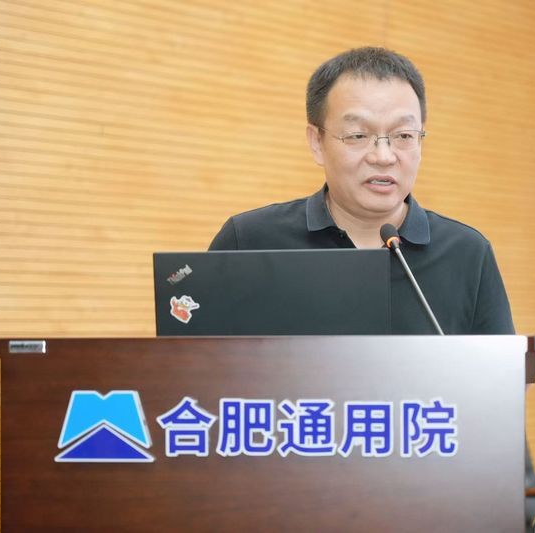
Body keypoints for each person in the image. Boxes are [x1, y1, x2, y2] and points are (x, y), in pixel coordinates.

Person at [209, 46, 514, 336]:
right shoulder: (247, 242)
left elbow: (501, 371)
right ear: (317, 143)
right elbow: (193, 364)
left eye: (404, 135)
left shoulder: (468, 253)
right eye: (358, 135)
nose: (383, 156)